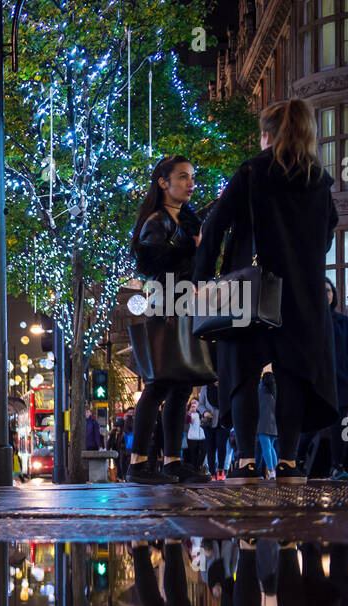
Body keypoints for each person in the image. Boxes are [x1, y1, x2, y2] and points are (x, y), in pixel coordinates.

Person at [194, 99, 339, 485]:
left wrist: (202, 280)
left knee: (242, 372)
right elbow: (326, 236)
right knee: (292, 375)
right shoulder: (320, 182)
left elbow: (215, 223)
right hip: (303, 293)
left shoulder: (254, 171)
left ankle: (244, 461)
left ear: (268, 135)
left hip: (252, 288)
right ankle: (289, 463)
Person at [127, 155, 212, 485]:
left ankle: (172, 460)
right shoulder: (157, 221)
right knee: (160, 382)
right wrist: (189, 249)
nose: (190, 183)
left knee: (181, 383)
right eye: (182, 177)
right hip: (165, 302)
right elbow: (149, 263)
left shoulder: (188, 221)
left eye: (192, 177)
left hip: (186, 301)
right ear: (163, 183)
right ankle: (139, 463)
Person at [323, 279, 348, 481]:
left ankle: (338, 466)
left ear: (334, 294)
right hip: (321, 380)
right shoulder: (312, 320)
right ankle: (305, 463)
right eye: (322, 291)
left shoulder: (343, 321)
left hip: (343, 381)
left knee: (343, 426)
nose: (326, 294)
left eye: (329, 290)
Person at [197, 384, 223, 478]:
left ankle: (221, 471)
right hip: (209, 423)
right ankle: (212, 473)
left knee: (221, 446)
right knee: (210, 448)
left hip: (223, 421)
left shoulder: (225, 384)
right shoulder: (205, 387)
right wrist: (204, 412)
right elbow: (200, 405)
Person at [256, 371, 279, 478]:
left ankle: (271, 471)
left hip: (262, 423)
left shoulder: (260, 390)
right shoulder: (274, 391)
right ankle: (275, 469)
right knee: (272, 448)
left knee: (266, 448)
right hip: (274, 424)